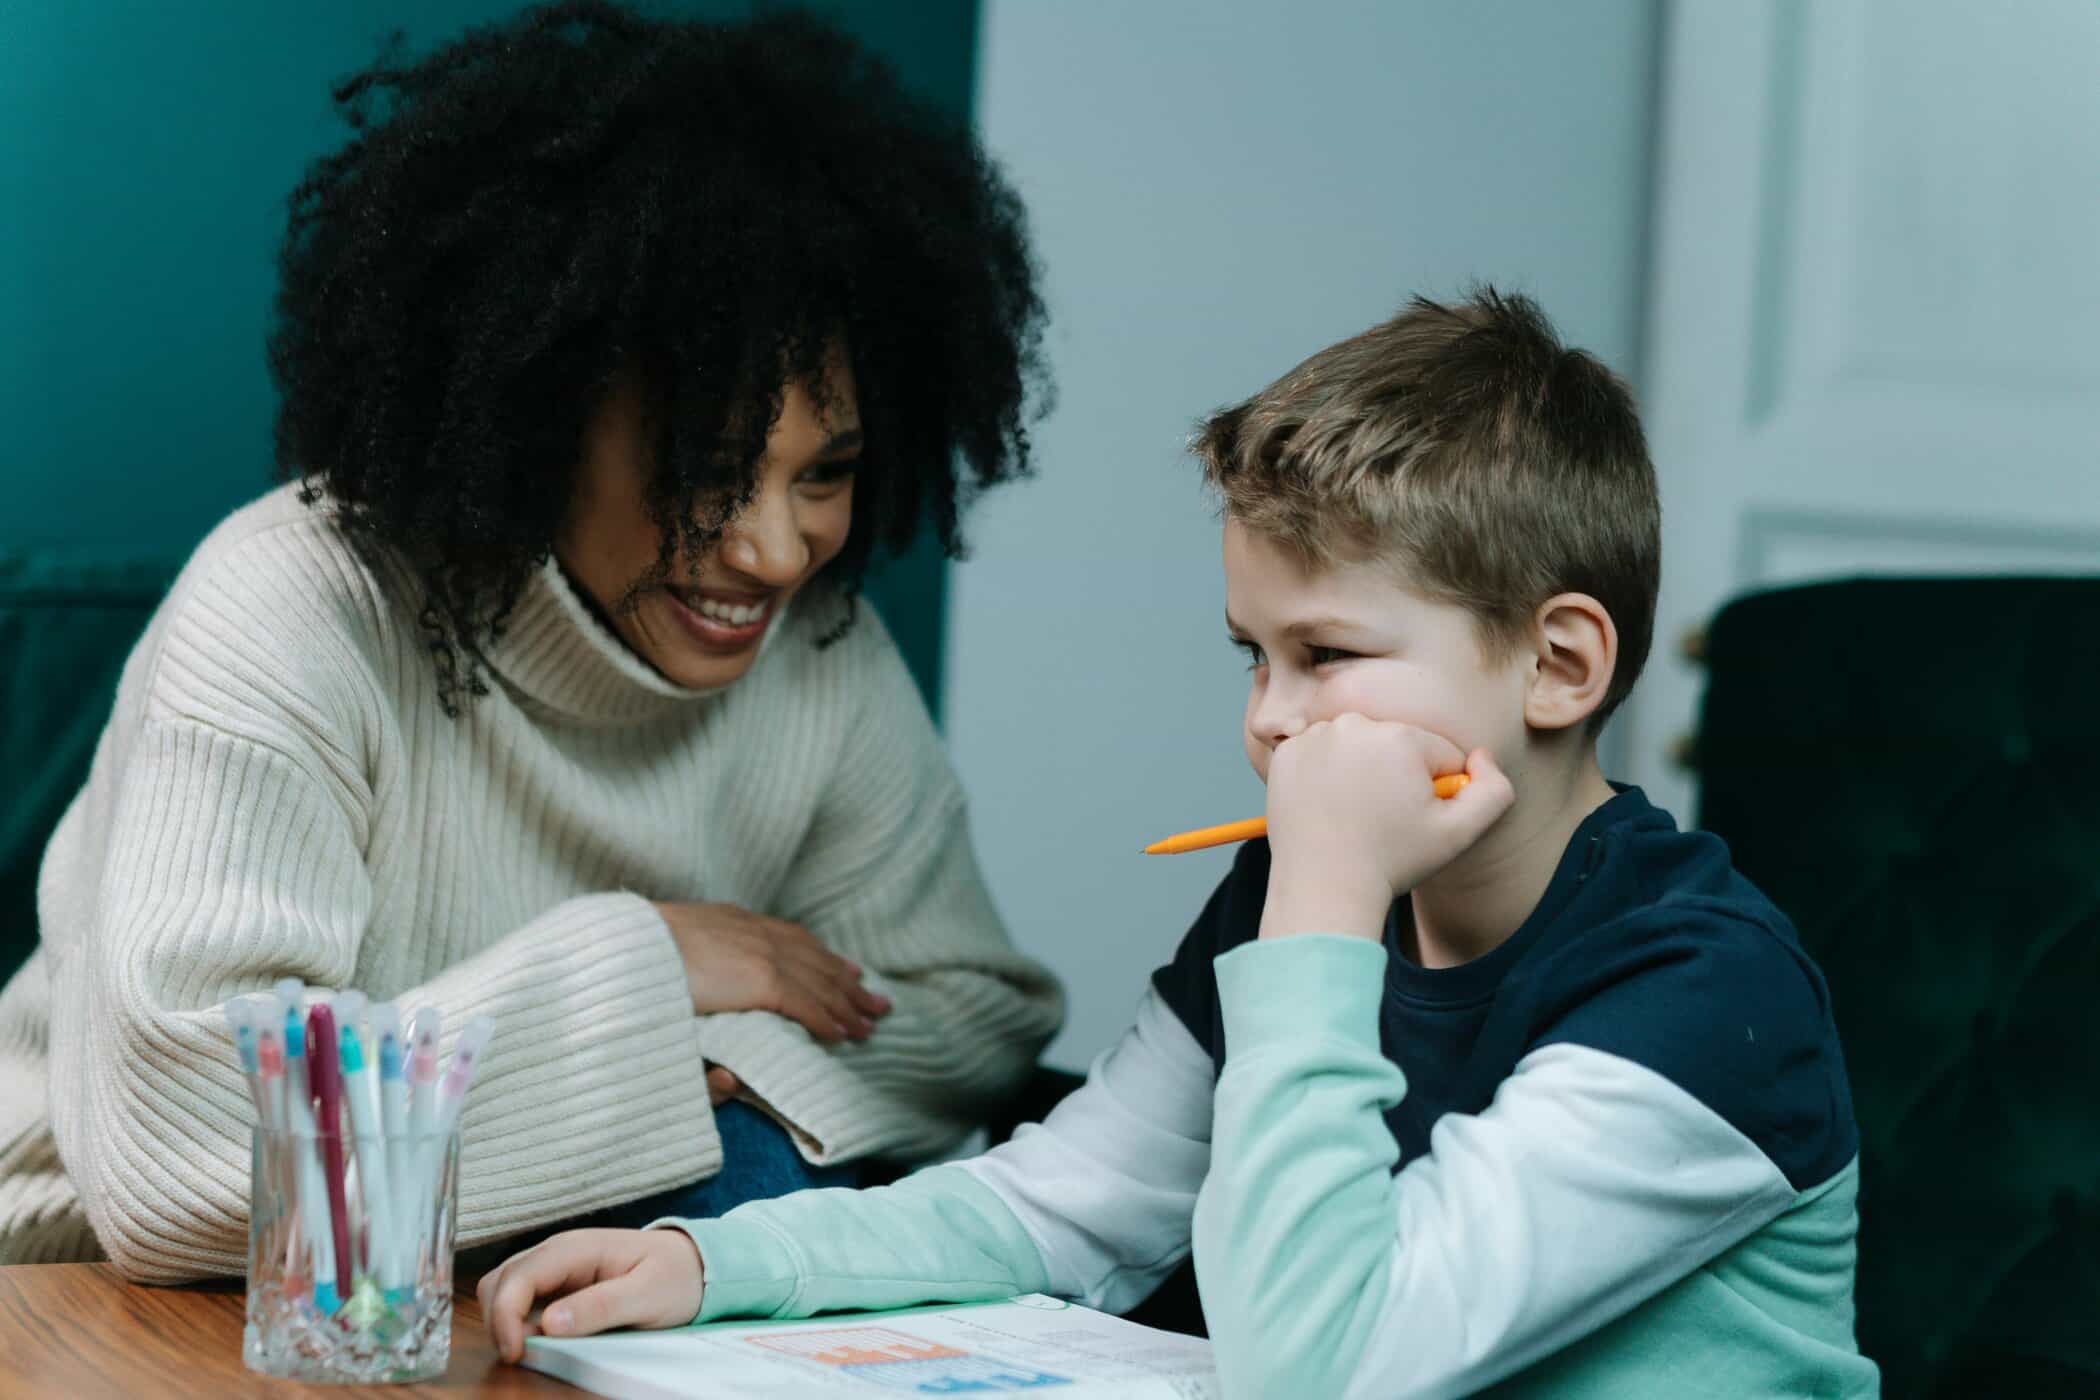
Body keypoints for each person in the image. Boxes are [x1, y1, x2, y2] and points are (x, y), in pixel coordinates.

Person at [476, 290, 1879, 1397]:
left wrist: (1325, 903)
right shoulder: (1300, 898)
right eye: (1251, 657)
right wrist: (710, 1264)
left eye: (1327, 654)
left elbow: (1319, 1370)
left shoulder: (1705, 998)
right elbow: (1063, 1205)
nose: (1270, 722)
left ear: (1560, 664)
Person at [0, 1, 1064, 1279]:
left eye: (825, 473)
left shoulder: (819, 655)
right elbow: (200, 1166)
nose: (776, 552)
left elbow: (969, 1016)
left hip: (513, 1306)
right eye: (711, 471)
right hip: (86, 1307)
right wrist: (651, 965)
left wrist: (730, 1080)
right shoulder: (293, 605)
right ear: (538, 417)